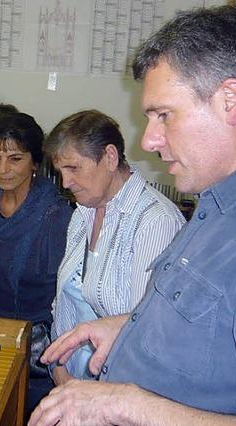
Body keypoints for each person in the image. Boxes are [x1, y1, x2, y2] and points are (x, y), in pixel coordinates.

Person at [31, 5, 236, 425]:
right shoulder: (216, 205)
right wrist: (126, 327)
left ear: (230, 101)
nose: (149, 140)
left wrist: (122, 403)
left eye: (163, 115)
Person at [43, 110, 185, 384]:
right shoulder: (82, 213)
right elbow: (64, 303)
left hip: (120, 391)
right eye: (60, 171)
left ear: (110, 157)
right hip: (71, 378)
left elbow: (146, 333)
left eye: (73, 168)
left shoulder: (155, 221)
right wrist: (60, 370)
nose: (65, 182)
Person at [0, 112, 73, 411]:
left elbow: (65, 293)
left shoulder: (57, 215)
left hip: (40, 352)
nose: (3, 169)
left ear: (35, 162)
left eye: (15, 159)